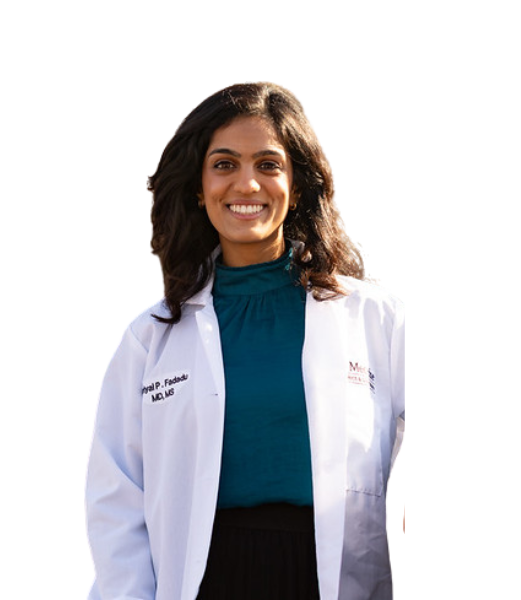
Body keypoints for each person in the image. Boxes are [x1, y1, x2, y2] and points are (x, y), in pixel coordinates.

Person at [85, 81, 405, 600]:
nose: (247, 184)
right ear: (199, 186)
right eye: (225, 164)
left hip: (329, 577)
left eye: (269, 165)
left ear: (296, 186)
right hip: (202, 580)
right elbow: (116, 493)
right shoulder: (150, 337)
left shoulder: (377, 317)